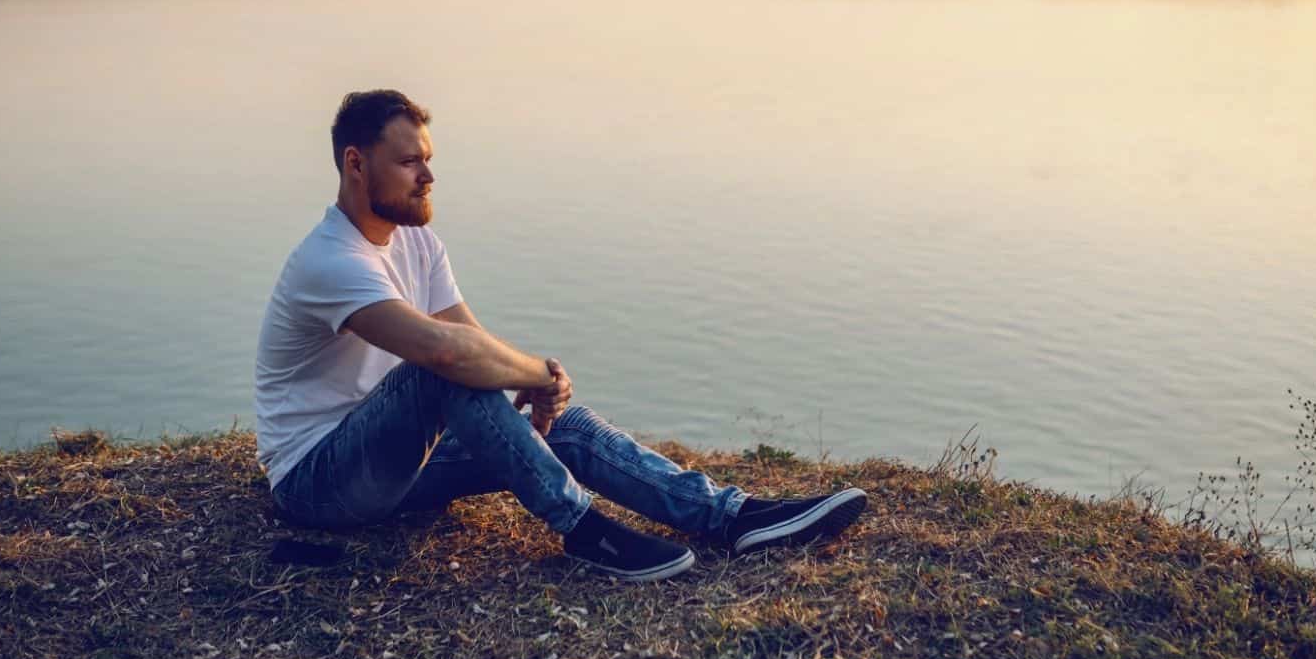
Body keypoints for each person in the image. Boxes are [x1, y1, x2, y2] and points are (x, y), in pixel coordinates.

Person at [254, 90, 867, 581]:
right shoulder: (330, 261)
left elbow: (469, 338)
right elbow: (445, 353)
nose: (429, 175)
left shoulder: (418, 241)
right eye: (410, 161)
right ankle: (584, 532)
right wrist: (536, 375)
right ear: (355, 164)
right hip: (318, 482)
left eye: (429, 158)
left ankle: (732, 517)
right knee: (439, 372)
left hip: (399, 467)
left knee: (561, 427)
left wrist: (541, 388)